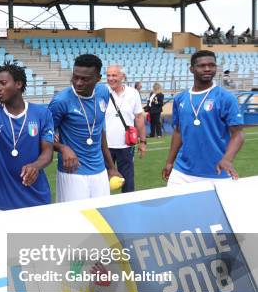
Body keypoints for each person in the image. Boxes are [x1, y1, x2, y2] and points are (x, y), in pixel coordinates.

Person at [0, 64, 55, 212]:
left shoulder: (41, 113)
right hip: (2, 204)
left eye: (3, 83)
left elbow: (48, 153)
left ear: (18, 84)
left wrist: (35, 166)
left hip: (37, 198)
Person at [162, 50, 245, 186]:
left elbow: (238, 134)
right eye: (202, 66)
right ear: (192, 69)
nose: (207, 69)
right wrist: (170, 162)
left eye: (211, 65)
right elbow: (178, 132)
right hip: (181, 173)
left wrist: (227, 160)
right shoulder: (180, 98)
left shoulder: (226, 97)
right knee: (177, 207)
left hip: (217, 172)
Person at [47, 54, 122, 203]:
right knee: (73, 221)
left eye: (85, 79)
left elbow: (100, 131)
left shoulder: (103, 93)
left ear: (98, 78)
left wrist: (111, 168)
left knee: (102, 217)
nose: (78, 83)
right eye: (75, 77)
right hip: (72, 173)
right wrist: (62, 148)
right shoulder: (60, 101)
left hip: (100, 171)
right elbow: (43, 136)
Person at [104, 65, 147, 193]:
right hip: (104, 146)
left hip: (126, 146)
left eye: (114, 75)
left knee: (128, 182)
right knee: (102, 183)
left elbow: (139, 117)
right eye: (108, 75)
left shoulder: (133, 93)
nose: (111, 78)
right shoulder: (102, 92)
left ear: (123, 76)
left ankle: (129, 209)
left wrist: (143, 142)